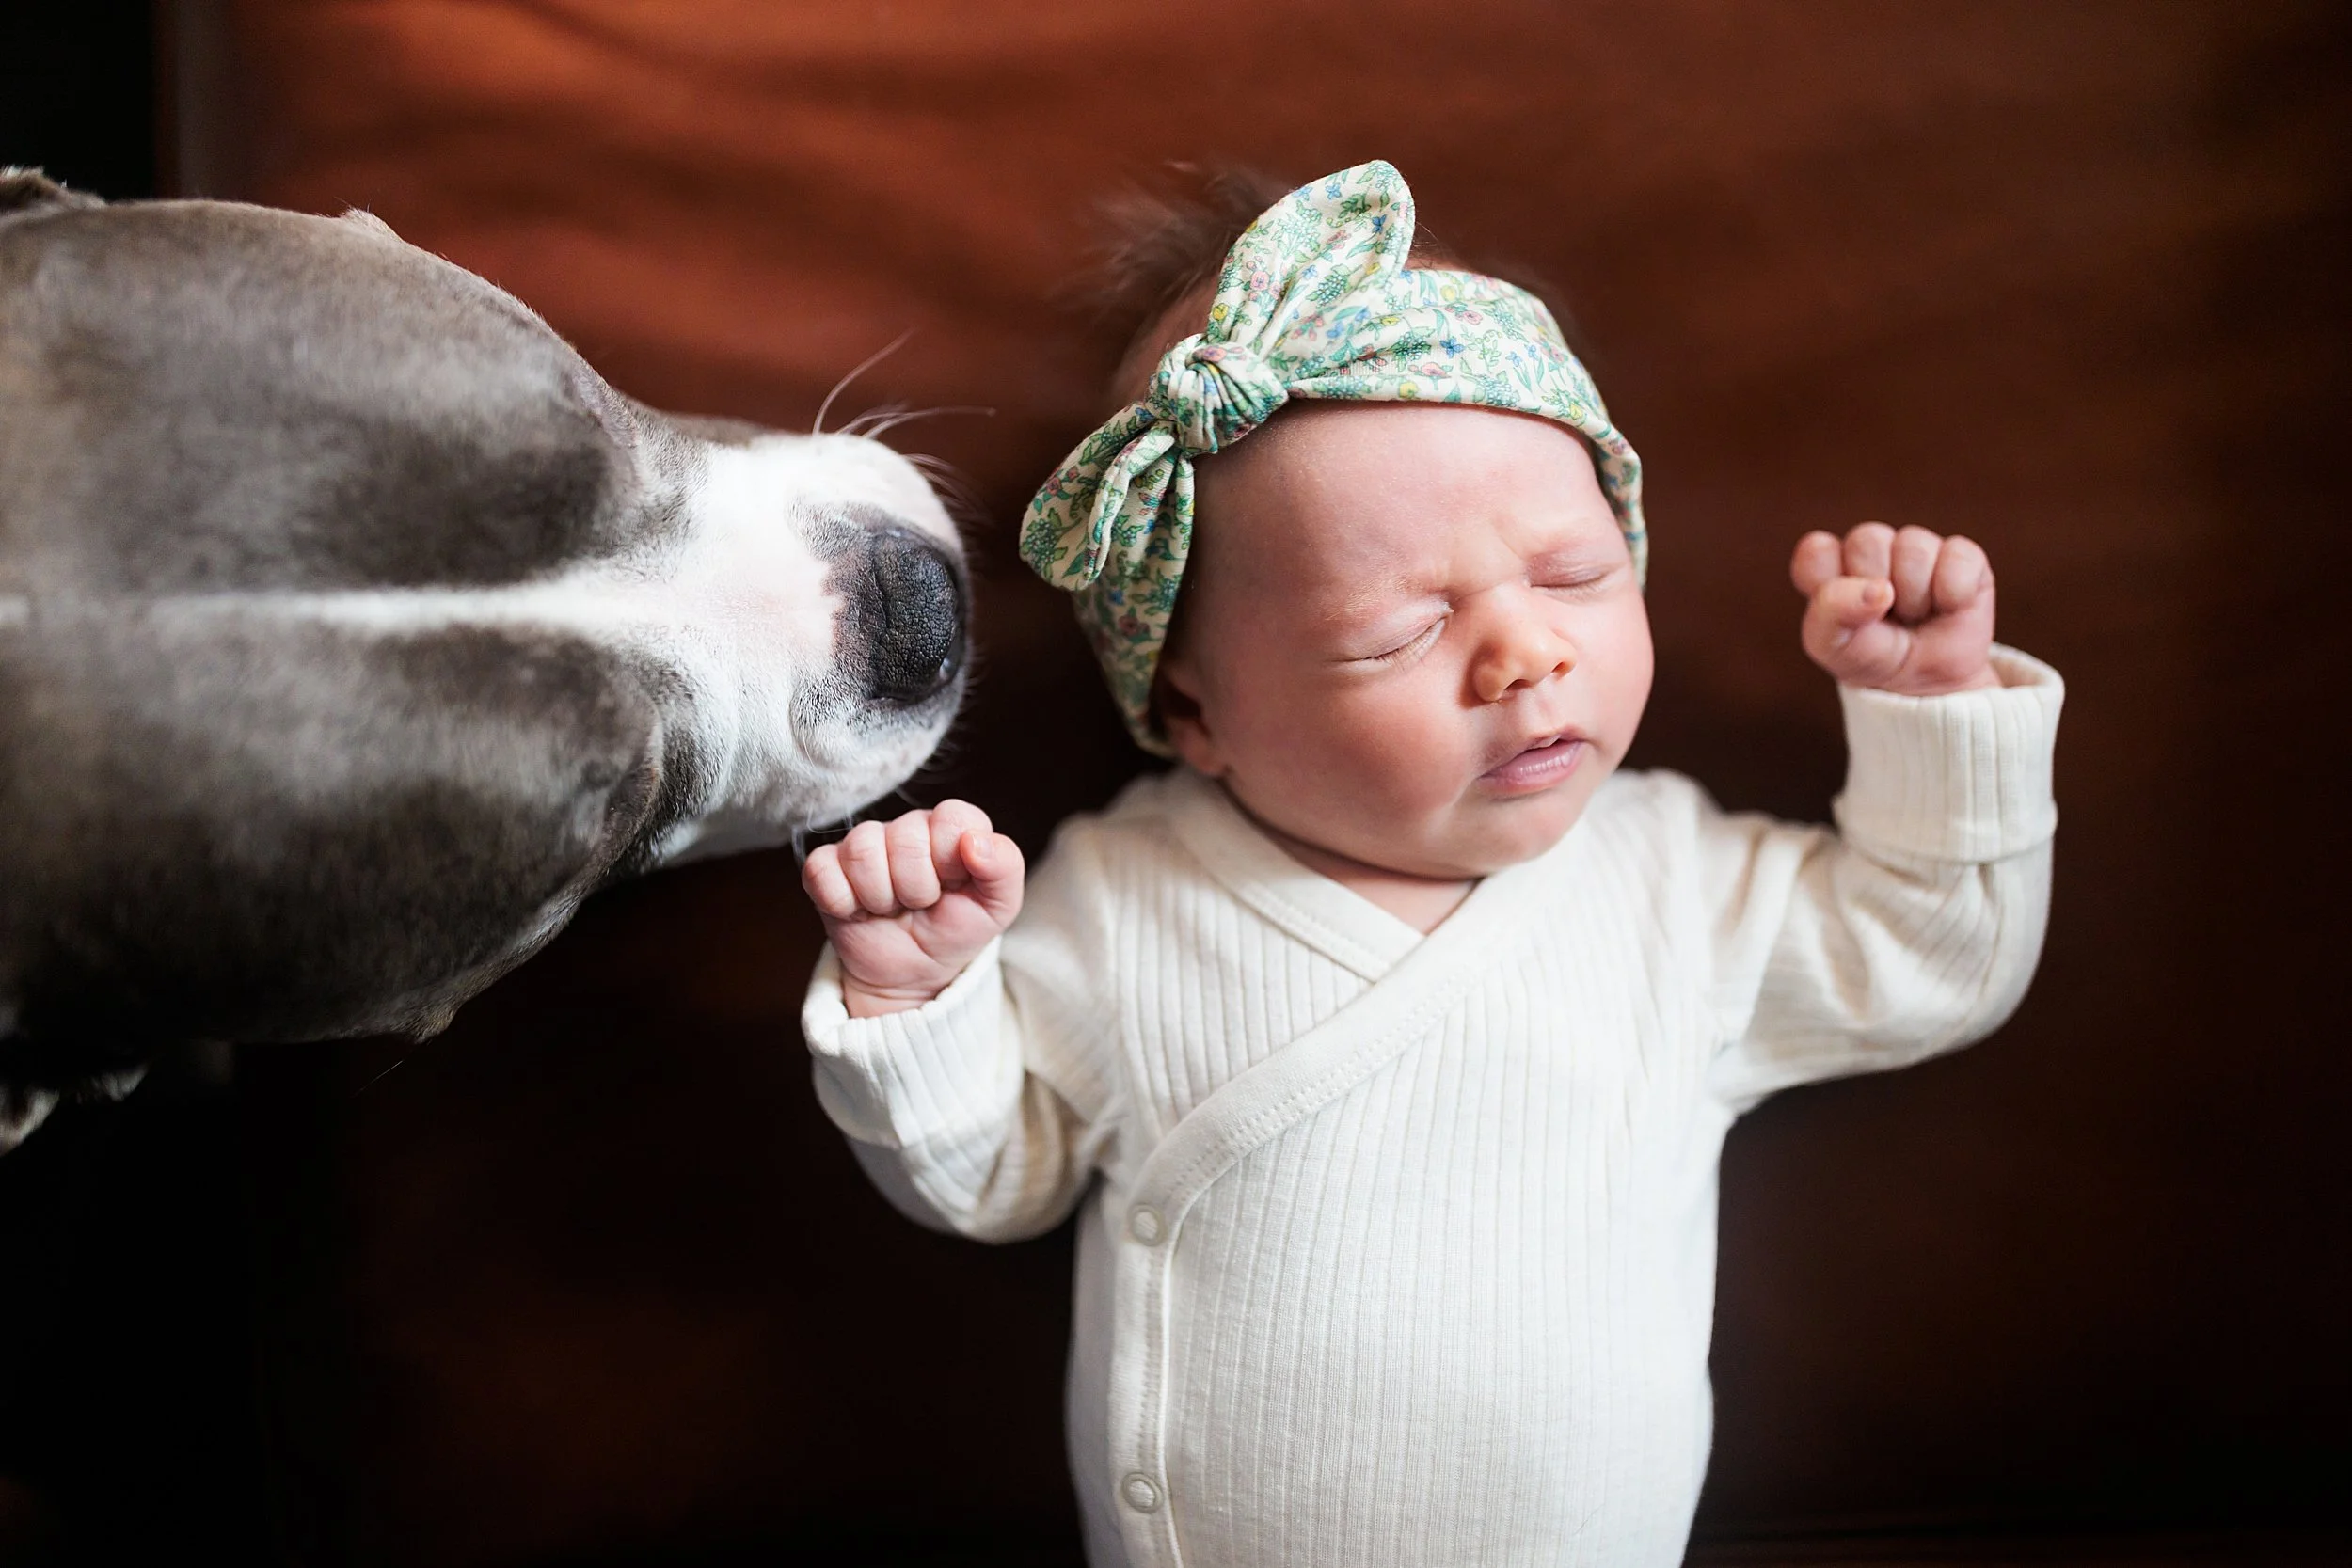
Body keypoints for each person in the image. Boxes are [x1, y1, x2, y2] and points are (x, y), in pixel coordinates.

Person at [797, 162, 2064, 1568]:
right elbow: (993, 1175)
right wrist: (915, 1002)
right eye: (1400, 634)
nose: (1528, 652)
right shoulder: (1117, 898)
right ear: (1197, 712)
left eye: (1578, 571)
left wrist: (1932, 703)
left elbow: (1931, 952)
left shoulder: (1671, 890)